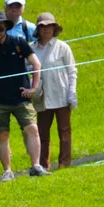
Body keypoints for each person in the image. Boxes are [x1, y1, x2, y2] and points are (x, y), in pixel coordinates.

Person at [0, 12, 49, 180]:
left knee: (32, 129)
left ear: (6, 28)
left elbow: (36, 64)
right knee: (2, 134)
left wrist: (33, 88)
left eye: (0, 28)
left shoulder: (19, 42)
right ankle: (7, 171)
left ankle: (36, 166)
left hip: (21, 97)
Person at [32, 13, 78, 169]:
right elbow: (26, 69)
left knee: (64, 131)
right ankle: (43, 165)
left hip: (61, 94)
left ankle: (64, 163)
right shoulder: (32, 49)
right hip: (42, 97)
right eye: (43, 27)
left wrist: (72, 92)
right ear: (38, 29)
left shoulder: (62, 47)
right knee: (42, 133)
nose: (46, 30)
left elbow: (72, 71)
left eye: (49, 26)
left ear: (54, 28)